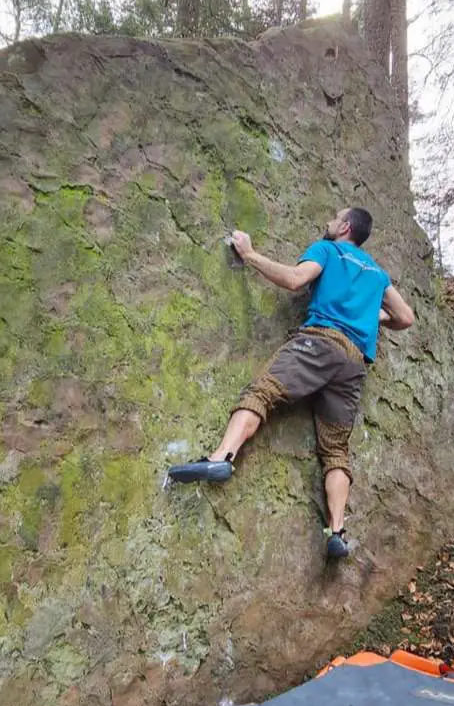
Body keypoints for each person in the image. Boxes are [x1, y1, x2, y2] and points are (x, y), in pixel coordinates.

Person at [166, 207, 416, 559]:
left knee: (261, 393)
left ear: (345, 227)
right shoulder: (377, 274)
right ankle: (338, 531)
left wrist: (249, 254)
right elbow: (405, 318)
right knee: (335, 450)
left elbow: (297, 279)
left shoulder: (328, 249)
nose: (328, 221)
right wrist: (371, 311)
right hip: (353, 364)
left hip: (320, 342)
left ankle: (222, 457)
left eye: (334, 217)